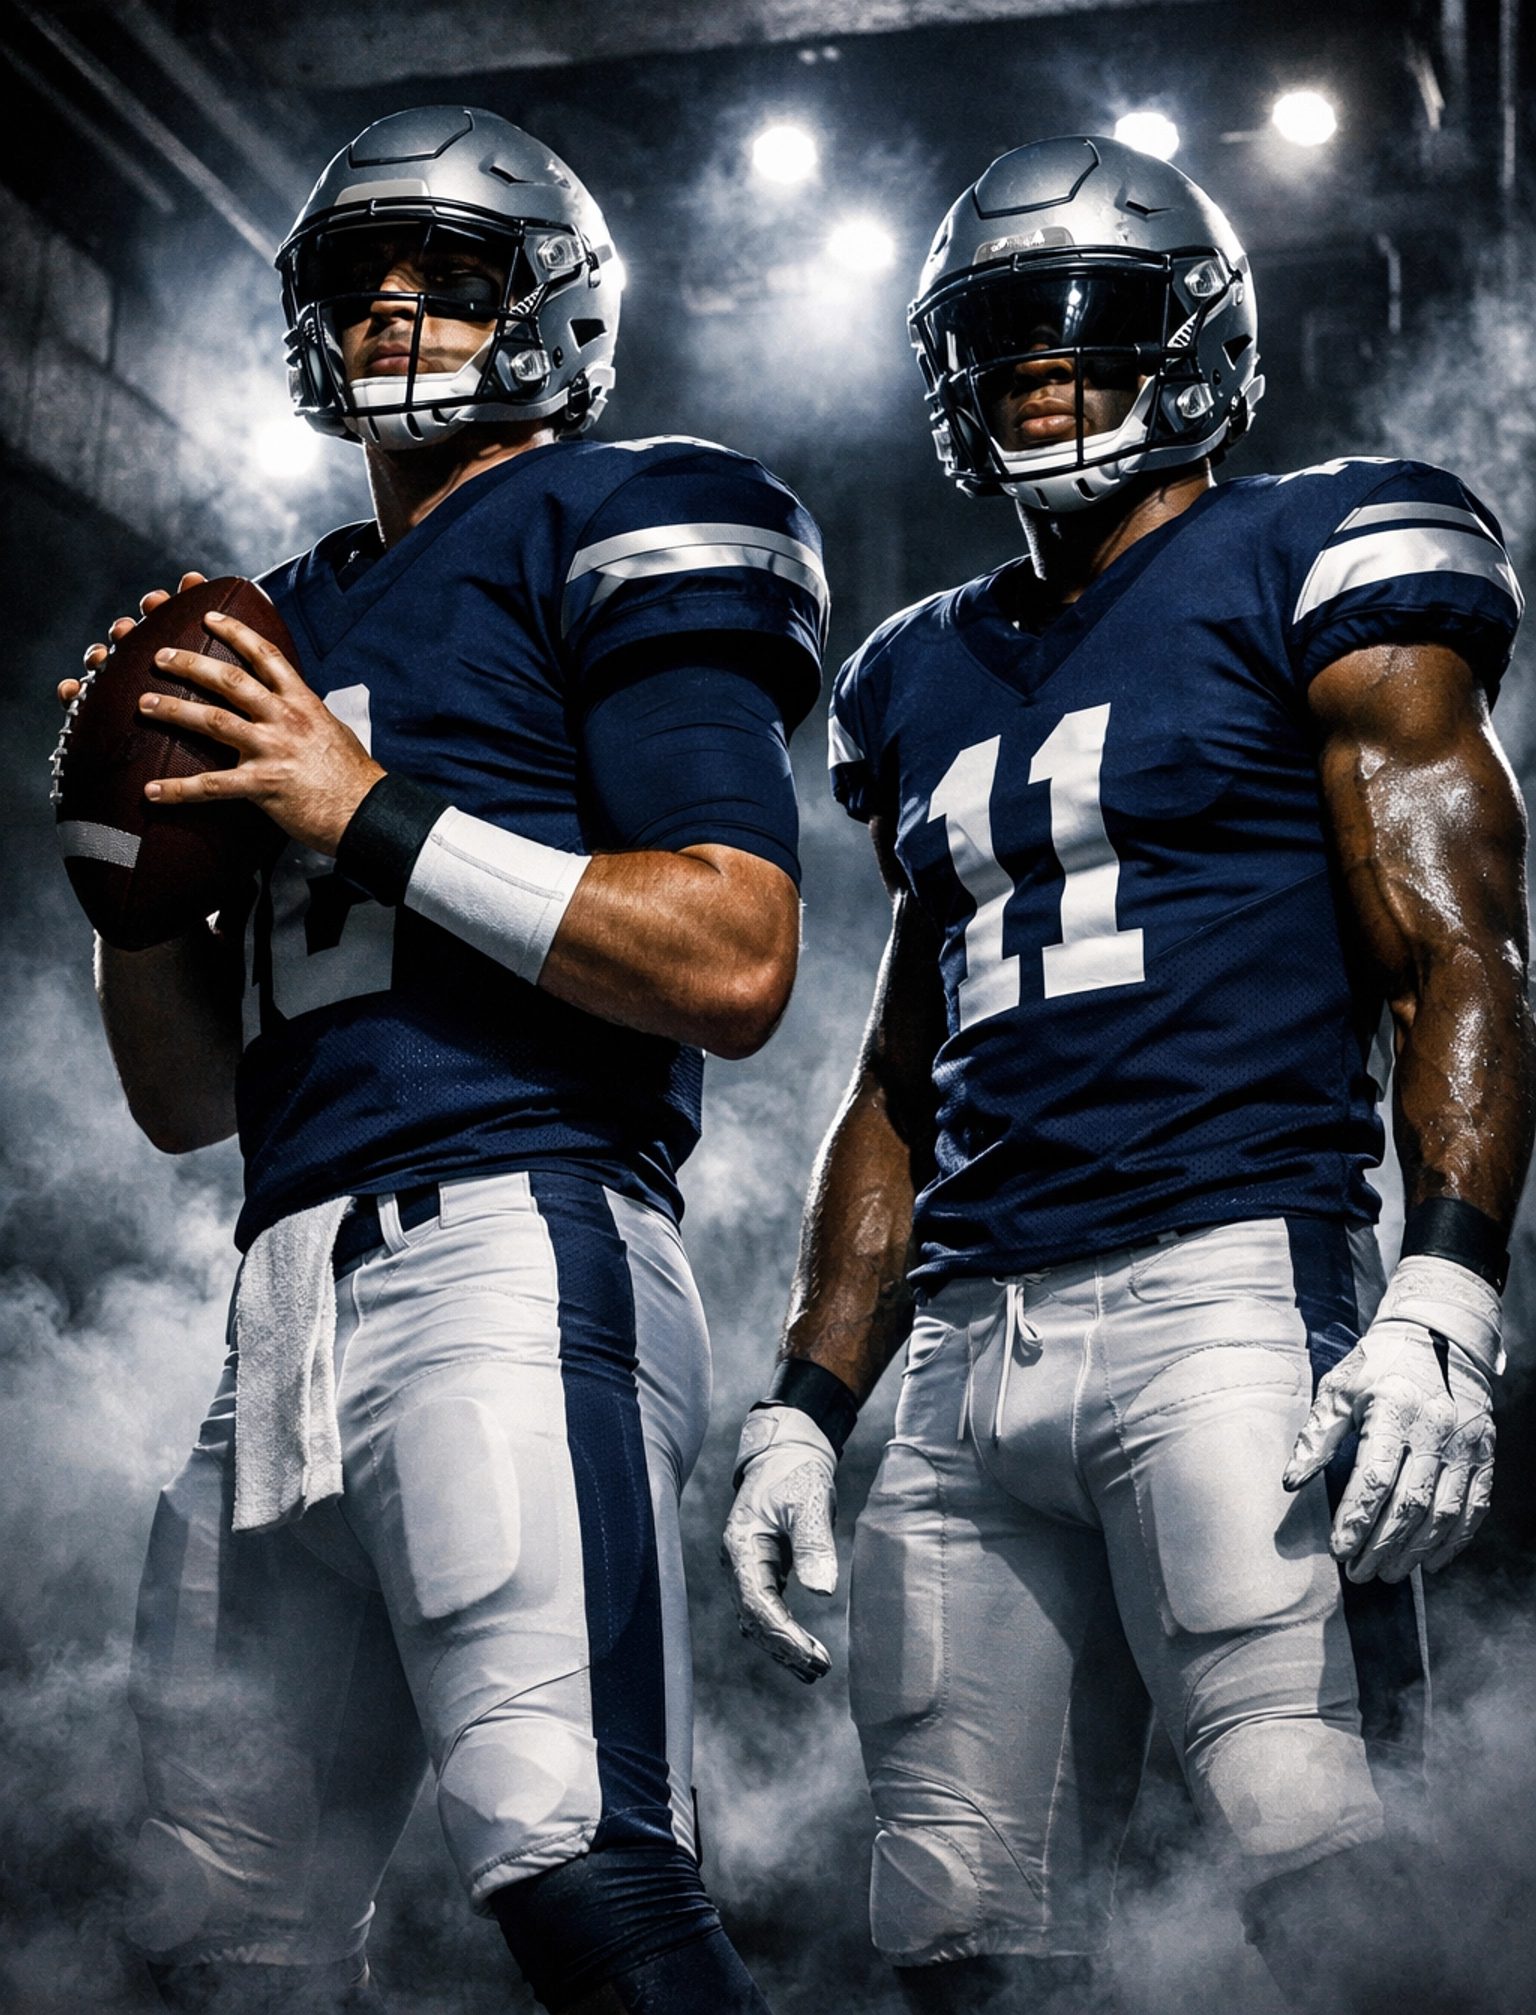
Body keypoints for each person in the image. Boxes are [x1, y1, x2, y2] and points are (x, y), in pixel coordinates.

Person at [721, 134, 1532, 2015]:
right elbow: (903, 1070)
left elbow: (1460, 946)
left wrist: (1447, 1285)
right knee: (949, 1921)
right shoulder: (918, 669)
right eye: (1004, 346)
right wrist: (799, 1403)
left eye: (1092, 337)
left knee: (1311, 1831)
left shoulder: (1314, 552)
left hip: (1228, 1286)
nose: (1045, 378)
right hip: (961, 1345)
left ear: (1207, 349)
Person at [60, 105, 828, 2015]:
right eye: (359, 282)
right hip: (277, 1293)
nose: (397, 311)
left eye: (453, 276)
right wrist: (125, 876)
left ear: (557, 308)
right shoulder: (276, 612)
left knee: (580, 1868)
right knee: (210, 1939)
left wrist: (363, 804)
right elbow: (180, 1100)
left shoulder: (612, 511)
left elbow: (734, 955)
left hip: (510, 1242)